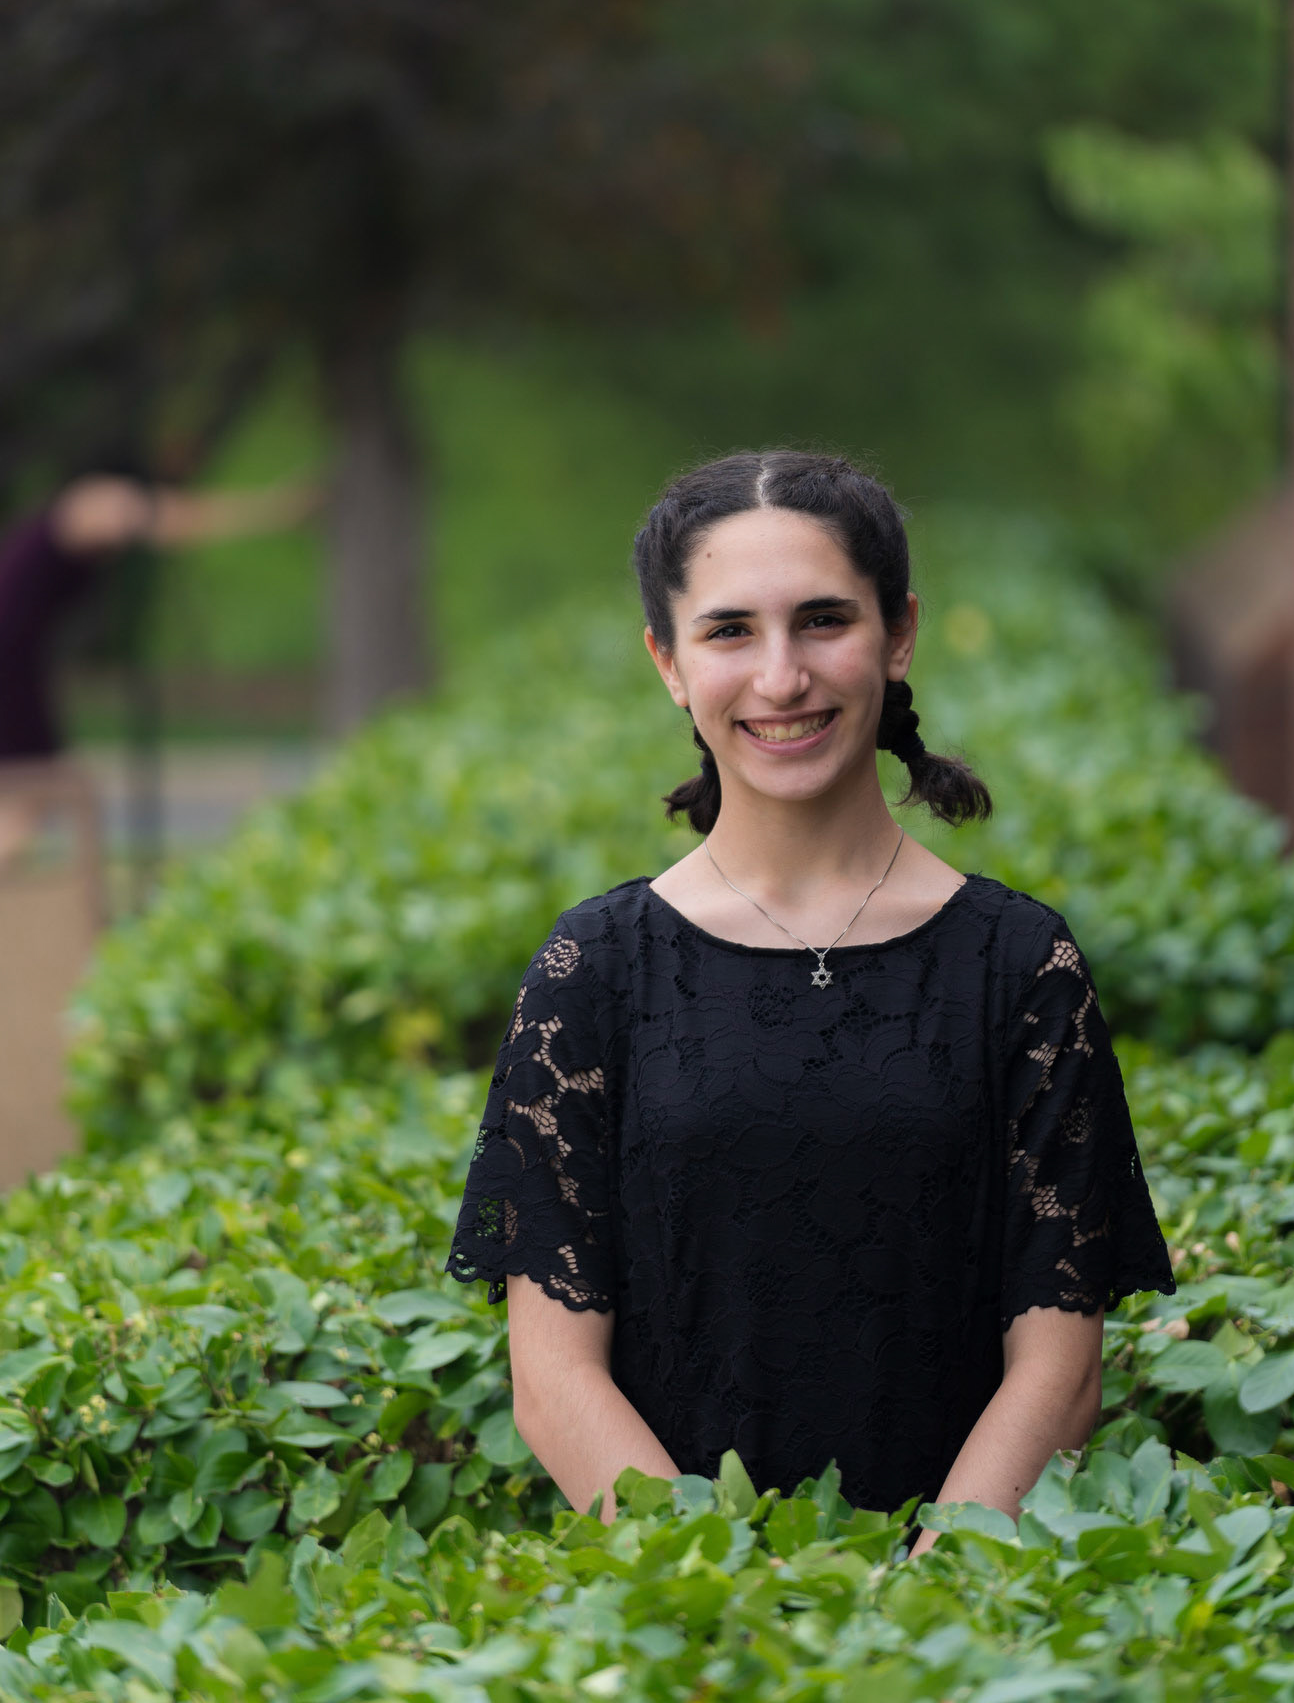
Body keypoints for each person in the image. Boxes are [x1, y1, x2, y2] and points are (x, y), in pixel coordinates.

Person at [445, 450, 1174, 1542]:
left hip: (963, 1621)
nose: (782, 677)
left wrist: (926, 1598)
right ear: (669, 662)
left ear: (900, 632)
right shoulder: (594, 968)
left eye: (824, 620)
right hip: (679, 1621)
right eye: (730, 630)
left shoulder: (1021, 964)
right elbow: (555, 1381)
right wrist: (735, 1607)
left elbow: (1058, 1367)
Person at [0, 472, 319, 868]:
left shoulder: (63, 513)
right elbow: (173, 523)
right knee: (42, 788)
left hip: (18, 659)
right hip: (9, 660)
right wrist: (272, 510)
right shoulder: (89, 503)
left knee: (38, 793)